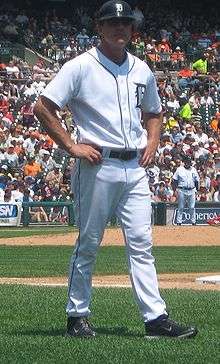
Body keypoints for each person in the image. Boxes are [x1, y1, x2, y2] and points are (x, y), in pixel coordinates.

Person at [34, 0, 198, 339]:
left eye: (124, 22)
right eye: (112, 22)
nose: (119, 27)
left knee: (141, 243)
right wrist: (70, 146)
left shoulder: (141, 68)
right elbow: (44, 106)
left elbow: (154, 112)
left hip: (135, 165)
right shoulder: (79, 66)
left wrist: (153, 141)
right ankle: (77, 316)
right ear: (99, 26)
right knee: (89, 242)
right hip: (97, 163)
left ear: (132, 28)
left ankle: (155, 319)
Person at [172, 156, 200, 226]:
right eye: (187, 162)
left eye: (189, 162)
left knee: (192, 207)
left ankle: (193, 222)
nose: (188, 163)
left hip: (192, 190)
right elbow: (175, 180)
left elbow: (197, 181)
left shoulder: (193, 169)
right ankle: (179, 222)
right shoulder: (179, 169)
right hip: (182, 189)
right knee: (181, 206)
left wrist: (197, 190)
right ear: (184, 162)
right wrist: (174, 190)